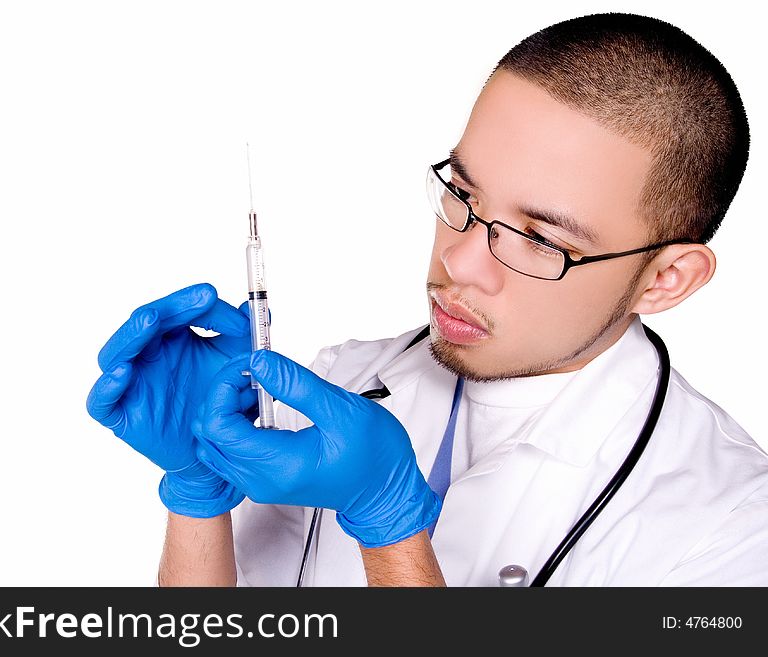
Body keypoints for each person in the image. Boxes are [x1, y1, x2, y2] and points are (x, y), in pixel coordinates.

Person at [86, 13, 768, 586]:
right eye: (463, 197)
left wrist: (389, 528)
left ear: (665, 278)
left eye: (539, 239)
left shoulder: (731, 523)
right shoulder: (341, 380)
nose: (459, 258)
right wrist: (198, 491)